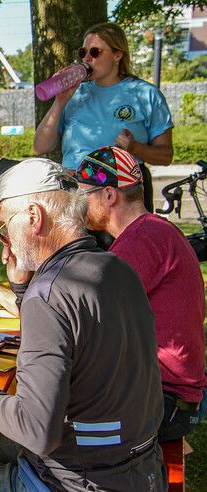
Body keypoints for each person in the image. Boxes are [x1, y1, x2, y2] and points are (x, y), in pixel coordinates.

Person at [0, 158, 167, 491]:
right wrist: (21, 288)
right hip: (136, 466)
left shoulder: (48, 295)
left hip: (77, 480)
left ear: (33, 217)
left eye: (5, 229)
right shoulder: (117, 268)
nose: (6, 242)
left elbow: (36, 431)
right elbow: (72, 334)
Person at [75, 145, 207, 442]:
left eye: (82, 196)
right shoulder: (152, 231)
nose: (77, 206)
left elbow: (84, 319)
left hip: (164, 402)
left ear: (109, 195)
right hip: (166, 394)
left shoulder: (142, 240)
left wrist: (14, 296)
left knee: (50, 436)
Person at [33, 22, 174, 213]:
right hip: (75, 189)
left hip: (120, 193)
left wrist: (134, 148)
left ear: (117, 55)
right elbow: (40, 146)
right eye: (83, 53)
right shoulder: (75, 93)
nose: (87, 59)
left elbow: (166, 155)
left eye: (95, 52)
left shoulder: (145, 94)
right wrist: (60, 101)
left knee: (124, 244)